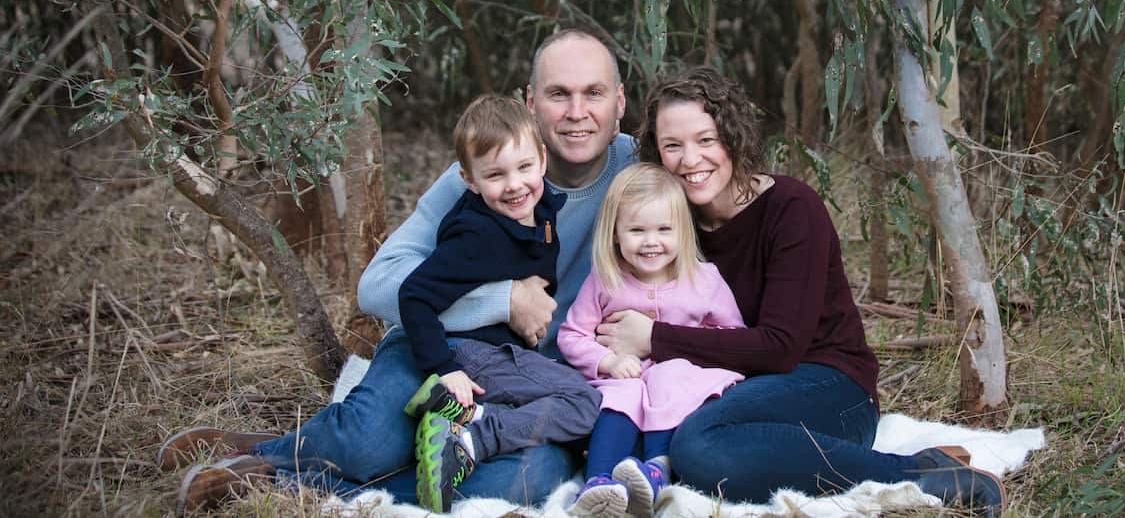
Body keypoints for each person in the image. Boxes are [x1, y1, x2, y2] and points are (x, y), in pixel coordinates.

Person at [161, 30, 635, 513]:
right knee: (368, 443)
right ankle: (270, 450)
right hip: (443, 347)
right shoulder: (489, 169)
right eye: (559, 94)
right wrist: (504, 300)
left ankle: (284, 479)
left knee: (529, 480)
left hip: (531, 384)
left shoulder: (641, 171)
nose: (577, 112)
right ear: (532, 103)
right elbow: (377, 286)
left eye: (594, 93)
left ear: (620, 101)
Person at [595, 67, 1006, 517]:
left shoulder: (791, 209)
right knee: (657, 439)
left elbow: (780, 347)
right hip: (737, 394)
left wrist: (654, 338)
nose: (690, 160)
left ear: (732, 136)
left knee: (698, 446)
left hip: (830, 388)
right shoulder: (668, 226)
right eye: (673, 145)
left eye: (706, 139)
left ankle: (924, 474)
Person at [395, 94, 601, 513]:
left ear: (542, 159)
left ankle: (460, 418)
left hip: (503, 352)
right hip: (476, 353)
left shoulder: (541, 209)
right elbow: (413, 295)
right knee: (585, 404)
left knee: (570, 422)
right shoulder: (476, 236)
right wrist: (444, 369)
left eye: (524, 167)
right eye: (495, 174)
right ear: (469, 180)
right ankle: (470, 435)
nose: (514, 185)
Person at [557, 164, 745, 518]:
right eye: (637, 230)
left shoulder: (703, 279)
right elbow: (572, 334)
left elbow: (734, 337)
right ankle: (598, 482)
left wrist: (685, 350)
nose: (651, 241)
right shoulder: (606, 280)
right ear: (615, 233)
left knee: (666, 375)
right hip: (624, 376)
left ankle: (657, 470)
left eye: (663, 229)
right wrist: (608, 361)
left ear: (682, 231)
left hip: (684, 382)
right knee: (623, 391)